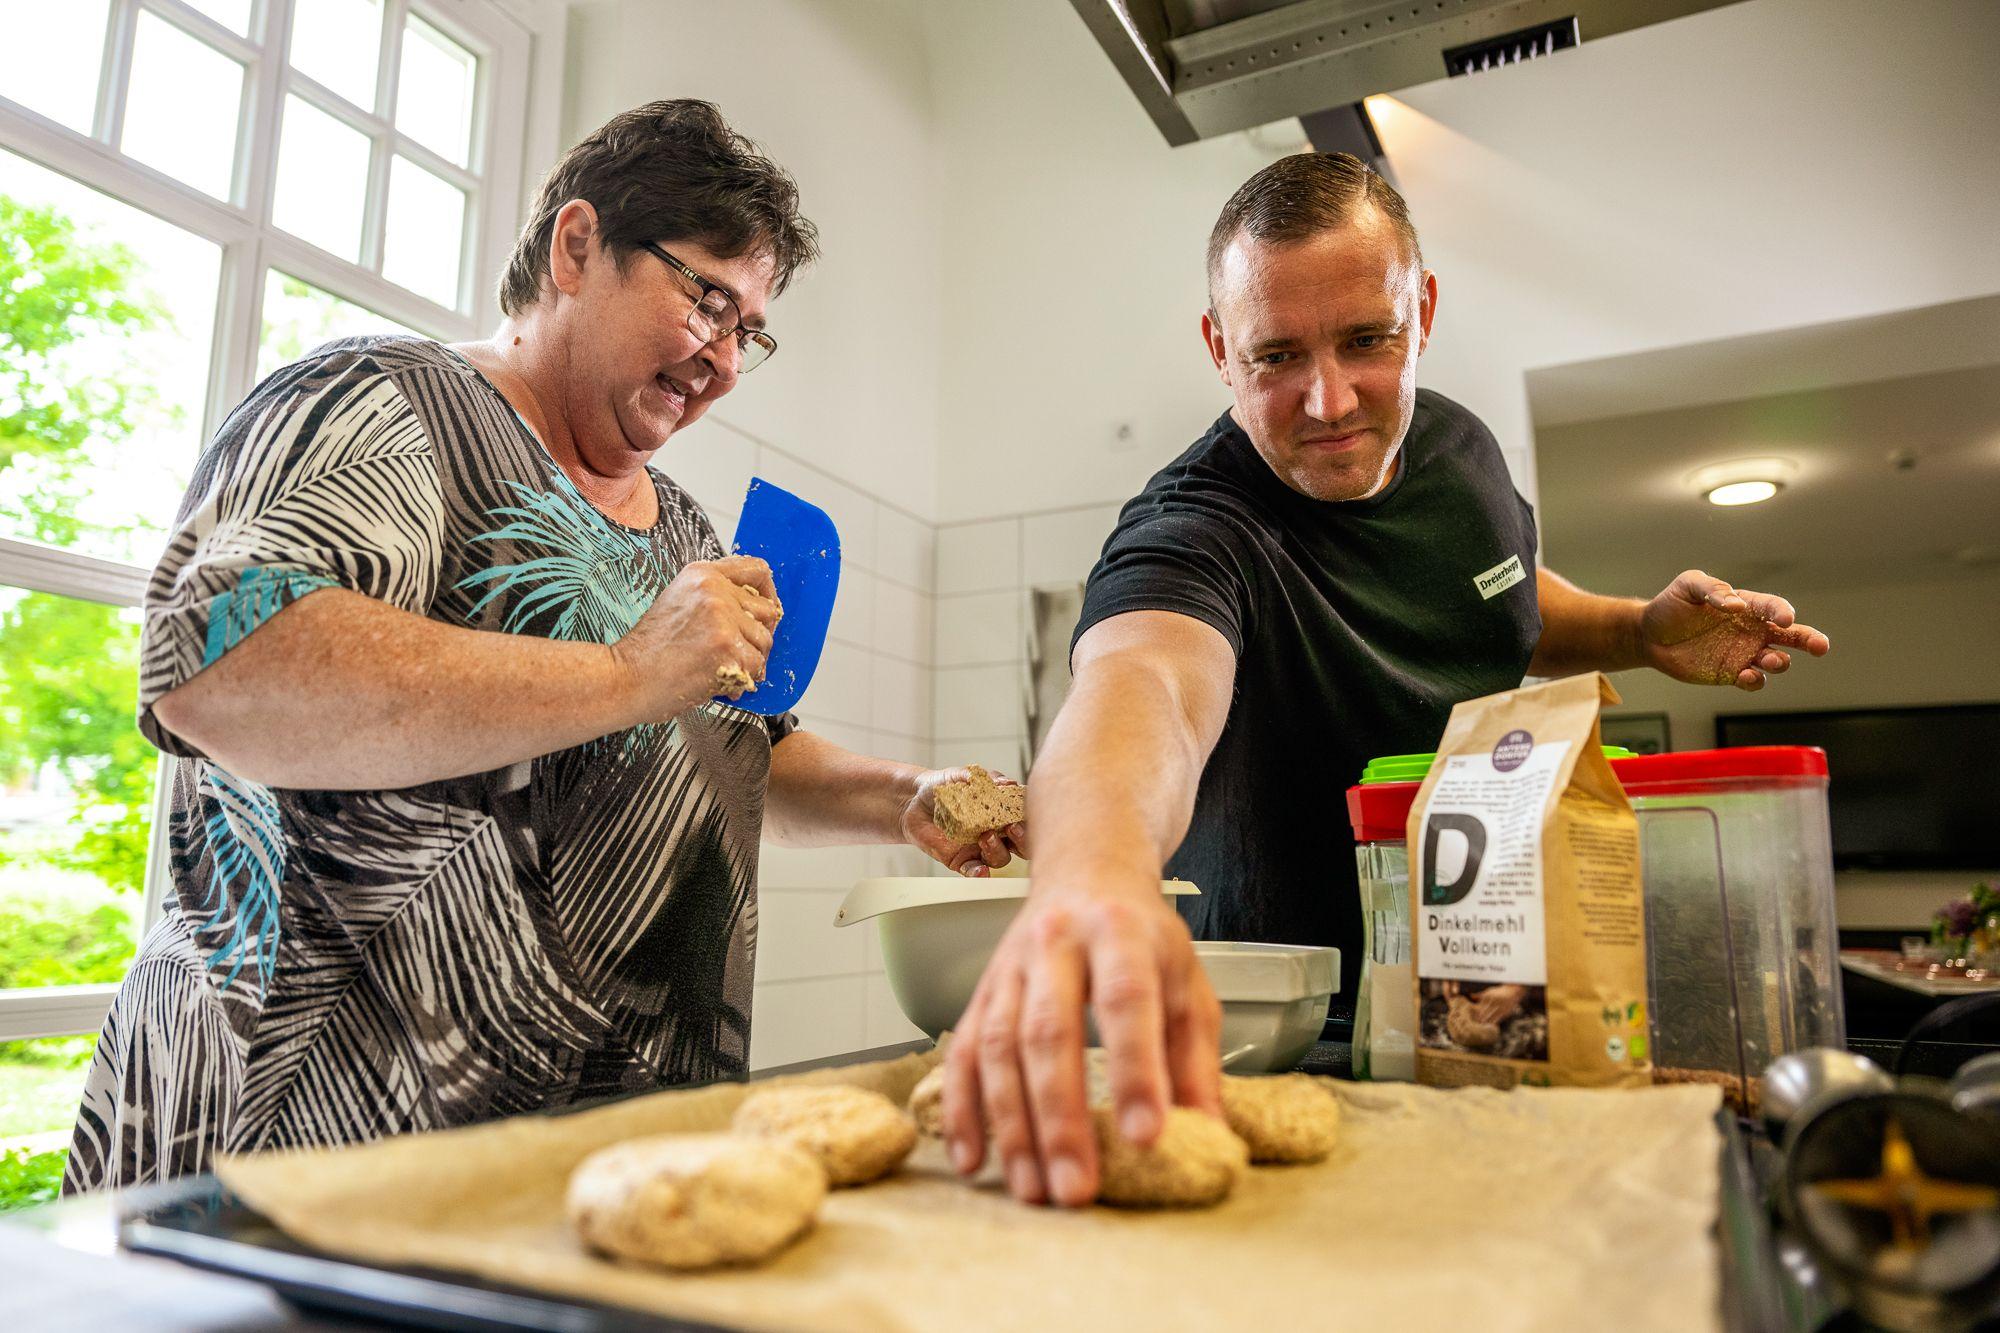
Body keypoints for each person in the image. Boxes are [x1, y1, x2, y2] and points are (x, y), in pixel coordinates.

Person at [65, 99, 1024, 1192]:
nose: (722, 359)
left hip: (593, 1175)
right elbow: (218, 666)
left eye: (746, 331)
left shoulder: (683, 533)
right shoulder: (382, 401)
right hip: (298, 1170)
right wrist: (627, 671)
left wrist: (908, 795)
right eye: (705, 300)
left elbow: (729, 758)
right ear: (578, 246)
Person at [942, 152, 1830, 1207]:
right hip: (1280, 1050)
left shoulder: (1459, 449)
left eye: (1367, 339)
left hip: (1504, 1013)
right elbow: (1144, 684)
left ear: (1425, 309)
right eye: (1274, 355)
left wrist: (1636, 630)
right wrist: (1091, 877)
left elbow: (1499, 597)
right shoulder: (1193, 528)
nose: (1328, 399)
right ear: (1218, 349)